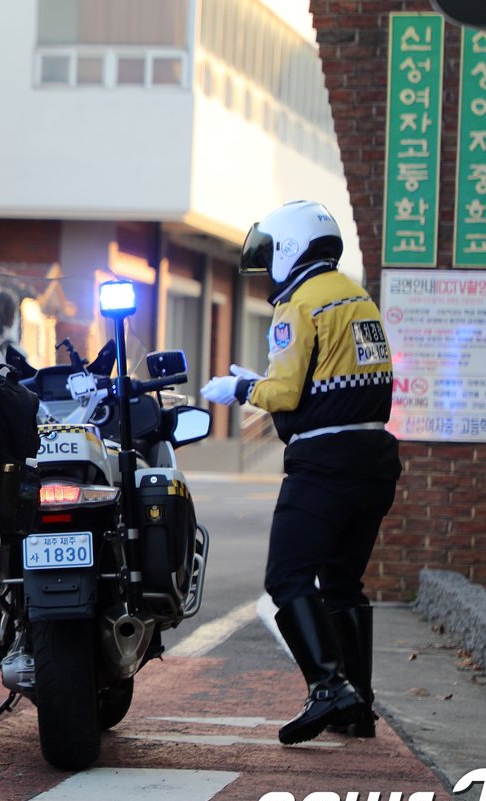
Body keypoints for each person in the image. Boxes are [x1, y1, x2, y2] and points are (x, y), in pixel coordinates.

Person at [201, 200, 400, 745]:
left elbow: (285, 392)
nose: (268, 269)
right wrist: (264, 379)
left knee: (287, 578)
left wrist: (240, 388)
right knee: (342, 584)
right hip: (374, 459)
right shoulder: (358, 299)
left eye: (270, 256)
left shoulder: (298, 305)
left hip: (323, 463)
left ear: (289, 250)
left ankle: (328, 687)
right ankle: (358, 708)